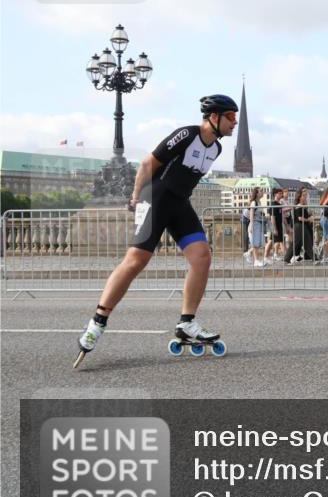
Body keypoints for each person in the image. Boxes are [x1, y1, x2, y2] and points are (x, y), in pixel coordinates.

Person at [75, 94, 238, 367]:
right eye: (230, 117)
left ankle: (187, 323)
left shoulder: (216, 149)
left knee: (202, 257)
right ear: (214, 117)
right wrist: (135, 197)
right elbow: (149, 164)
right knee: (137, 260)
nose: (234, 123)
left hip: (179, 204)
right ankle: (97, 322)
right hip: (156, 198)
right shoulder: (187, 134)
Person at [285, 186, 314, 263]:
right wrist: (309, 219)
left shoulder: (302, 206)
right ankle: (314, 258)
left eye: (306, 195)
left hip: (301, 226)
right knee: (303, 243)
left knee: (299, 243)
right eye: (304, 195)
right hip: (299, 226)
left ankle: (288, 259)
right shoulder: (299, 206)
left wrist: (309, 217)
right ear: (299, 197)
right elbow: (300, 218)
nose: (305, 197)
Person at [262, 188, 285, 263]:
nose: (281, 194)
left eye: (281, 193)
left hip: (279, 225)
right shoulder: (273, 204)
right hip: (275, 226)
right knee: (271, 241)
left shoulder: (279, 204)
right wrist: (274, 228)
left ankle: (275, 255)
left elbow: (281, 216)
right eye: (279, 193)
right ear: (275, 194)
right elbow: (272, 217)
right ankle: (265, 256)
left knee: (276, 241)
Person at [246, 186, 267, 267]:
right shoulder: (254, 202)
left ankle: (254, 257)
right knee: (255, 243)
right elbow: (251, 213)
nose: (263, 192)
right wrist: (251, 224)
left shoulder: (259, 202)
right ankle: (256, 261)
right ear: (257, 193)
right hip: (255, 224)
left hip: (258, 224)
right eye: (261, 191)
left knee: (258, 243)